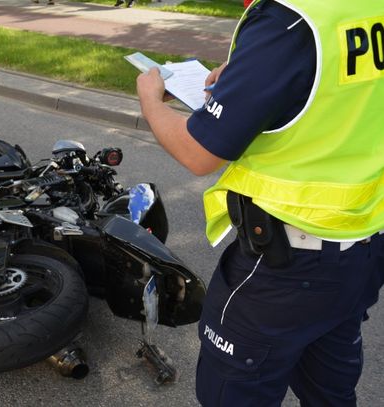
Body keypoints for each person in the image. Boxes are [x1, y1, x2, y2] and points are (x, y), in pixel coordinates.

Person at [136, 0, 384, 405]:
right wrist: (251, 83)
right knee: (331, 395)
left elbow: (199, 152)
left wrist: (150, 99)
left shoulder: (289, 18)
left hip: (283, 270)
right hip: (362, 250)